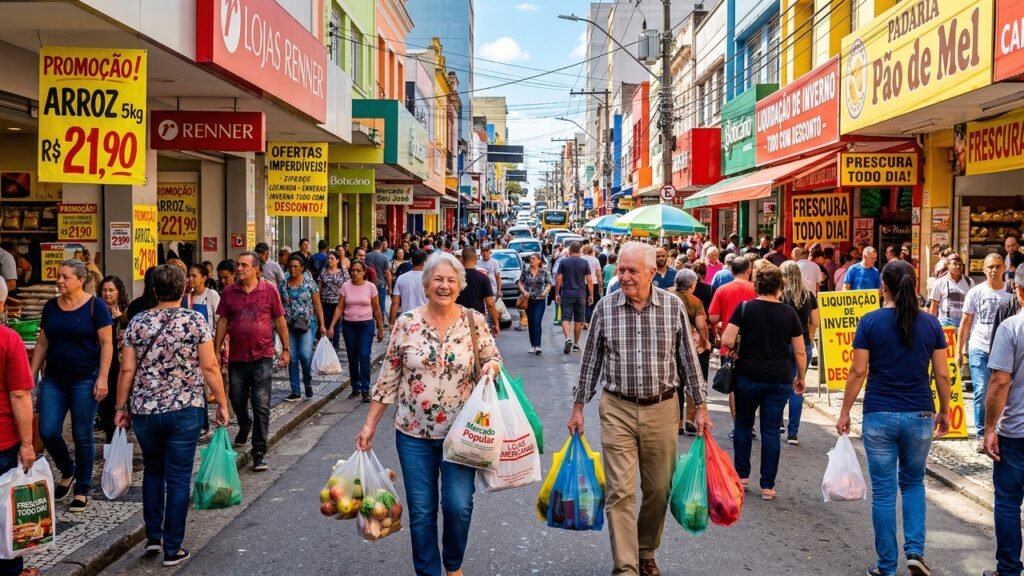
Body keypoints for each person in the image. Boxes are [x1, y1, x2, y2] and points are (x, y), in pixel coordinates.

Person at [355, 252, 501, 576]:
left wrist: (491, 366)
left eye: (451, 280)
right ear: (426, 283)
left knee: (458, 506)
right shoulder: (406, 323)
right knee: (422, 511)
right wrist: (369, 426)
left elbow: (493, 357)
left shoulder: (474, 321)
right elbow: (389, 378)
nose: (444, 286)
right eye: (438, 279)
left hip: (462, 434)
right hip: (412, 434)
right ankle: (429, 572)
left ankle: (452, 563)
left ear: (460, 285)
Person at [568, 242, 709, 576]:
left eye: (632, 271)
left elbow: (689, 359)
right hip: (617, 408)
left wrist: (700, 406)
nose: (625, 276)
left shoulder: (673, 307)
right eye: (621, 270)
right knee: (620, 492)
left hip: (662, 409)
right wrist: (577, 407)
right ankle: (627, 567)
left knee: (659, 490)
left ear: (651, 272)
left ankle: (646, 548)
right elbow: (590, 363)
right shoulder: (605, 308)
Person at [837, 260, 950, 576]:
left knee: (884, 492)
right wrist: (946, 409)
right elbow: (942, 374)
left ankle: (886, 566)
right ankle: (915, 551)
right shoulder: (931, 324)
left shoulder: (870, 322)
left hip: (879, 414)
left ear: (882, 286)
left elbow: (858, 371)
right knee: (913, 483)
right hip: (920, 413)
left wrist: (845, 411)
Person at [114, 265, 230, 567]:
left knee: (153, 472)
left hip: (145, 411)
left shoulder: (137, 322)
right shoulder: (194, 321)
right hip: (185, 409)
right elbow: (210, 367)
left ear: (154, 290)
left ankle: (153, 537)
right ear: (184, 290)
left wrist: (119, 407)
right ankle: (173, 547)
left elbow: (126, 369)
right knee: (178, 478)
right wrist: (222, 403)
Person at [30, 260, 113, 512]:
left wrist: (103, 377)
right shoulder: (50, 307)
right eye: (59, 276)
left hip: (85, 378)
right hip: (54, 379)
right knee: (48, 430)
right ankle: (68, 470)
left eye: (65, 277)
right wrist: (30, 376)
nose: (59, 281)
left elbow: (107, 344)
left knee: (82, 435)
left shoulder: (95, 306)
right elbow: (43, 343)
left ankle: (82, 488)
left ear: (80, 280)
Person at [215, 252, 290, 472]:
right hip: (237, 357)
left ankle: (259, 452)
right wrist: (216, 349)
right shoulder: (229, 292)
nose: (238, 269)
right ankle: (244, 424)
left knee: (261, 404)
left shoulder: (269, 290)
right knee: (237, 399)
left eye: (243, 265)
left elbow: (279, 320)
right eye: (238, 264)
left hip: (262, 357)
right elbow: (223, 321)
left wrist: (285, 349)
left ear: (256, 269)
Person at [984, 265, 1024, 576]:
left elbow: (1000, 381)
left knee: (1009, 502)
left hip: (1016, 431)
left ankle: (1009, 570)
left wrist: (989, 428)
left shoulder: (1011, 327)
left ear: (1019, 291)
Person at [960, 253, 1013, 452]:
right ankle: (982, 433)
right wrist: (959, 349)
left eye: (998, 266)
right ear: (984, 269)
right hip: (979, 347)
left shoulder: (1010, 295)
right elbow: (966, 322)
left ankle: (998, 430)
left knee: (1002, 390)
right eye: (990, 266)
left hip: (1003, 350)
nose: (994, 270)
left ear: (1003, 269)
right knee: (981, 390)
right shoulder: (975, 292)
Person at [0, 294, 35, 576]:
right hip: (3, 440)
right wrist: (27, 444)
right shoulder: (9, 340)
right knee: (7, 518)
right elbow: (20, 394)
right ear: (2, 304)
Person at [331, 260, 384, 402]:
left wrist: (380, 327)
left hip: (366, 325)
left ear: (364, 272)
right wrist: (332, 326)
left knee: (364, 355)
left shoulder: (370, 287)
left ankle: (365, 389)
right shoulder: (345, 287)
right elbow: (340, 308)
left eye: (358, 271)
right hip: (349, 326)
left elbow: (377, 309)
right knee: (352, 357)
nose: (355, 273)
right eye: (352, 270)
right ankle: (356, 387)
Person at [779, 261, 819, 445]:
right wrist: (808, 336)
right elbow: (816, 321)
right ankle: (793, 432)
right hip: (803, 343)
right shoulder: (808, 296)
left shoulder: (780, 296)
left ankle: (778, 422)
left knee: (780, 384)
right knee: (798, 387)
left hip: (782, 343)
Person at [279, 254, 327, 402]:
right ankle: (295, 390)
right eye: (291, 266)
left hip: (308, 323)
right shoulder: (282, 284)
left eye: (296, 266)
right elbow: (279, 306)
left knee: (305, 355)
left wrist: (322, 324)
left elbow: (317, 304)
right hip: (289, 324)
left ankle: (307, 380)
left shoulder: (310, 284)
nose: (293, 269)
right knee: (292, 357)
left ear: (302, 268)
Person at [674, 268, 710, 436]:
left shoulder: (670, 297)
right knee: (692, 380)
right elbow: (702, 325)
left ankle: (678, 423)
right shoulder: (696, 302)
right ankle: (690, 418)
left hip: (672, 343)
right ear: (692, 285)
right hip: (692, 343)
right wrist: (705, 342)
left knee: (677, 385)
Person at [96, 275, 130, 444]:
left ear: (119, 292)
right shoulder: (95, 309)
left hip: (121, 364)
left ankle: (117, 437)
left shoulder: (125, 312)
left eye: (111, 290)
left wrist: (119, 319)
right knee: (105, 406)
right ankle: (111, 438)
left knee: (118, 401)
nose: (107, 294)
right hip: (103, 364)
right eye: (104, 290)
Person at [555, 241, 593, 354]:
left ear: (570, 250)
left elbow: (558, 279)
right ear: (580, 250)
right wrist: (591, 294)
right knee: (579, 320)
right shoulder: (584, 262)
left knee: (565, 318)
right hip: (581, 294)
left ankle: (568, 339)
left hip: (567, 293)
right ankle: (576, 344)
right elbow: (589, 280)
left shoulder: (564, 262)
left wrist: (557, 293)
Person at [455, 247, 500, 334]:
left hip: (458, 318)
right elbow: (490, 304)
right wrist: (496, 323)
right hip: (478, 318)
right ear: (476, 258)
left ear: (462, 259)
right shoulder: (483, 278)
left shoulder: (455, 278)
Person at [518, 253, 551, 354]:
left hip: (540, 300)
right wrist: (524, 292)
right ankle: (532, 345)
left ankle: (538, 346)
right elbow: (520, 283)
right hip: (529, 300)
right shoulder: (526, 271)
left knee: (537, 321)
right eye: (530, 259)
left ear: (538, 260)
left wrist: (545, 292)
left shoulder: (543, 272)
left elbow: (548, 284)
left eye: (533, 259)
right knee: (531, 322)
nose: (531, 260)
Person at [928, 253, 972, 328]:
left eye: (960, 264)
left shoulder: (969, 282)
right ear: (948, 266)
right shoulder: (940, 282)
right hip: (945, 326)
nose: (958, 266)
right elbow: (934, 305)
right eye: (954, 264)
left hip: (963, 325)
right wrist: (932, 326)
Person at [318, 251, 349, 351]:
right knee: (326, 322)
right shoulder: (324, 270)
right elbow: (320, 285)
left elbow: (347, 285)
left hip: (339, 301)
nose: (329, 260)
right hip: (325, 301)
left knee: (335, 323)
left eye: (332, 258)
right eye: (328, 258)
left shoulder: (343, 271)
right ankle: (326, 343)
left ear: (337, 260)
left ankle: (335, 345)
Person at [390, 250, 428, 325]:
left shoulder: (401, 278)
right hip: (426, 318)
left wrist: (392, 323)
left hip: (406, 319)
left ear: (411, 260)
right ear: (425, 262)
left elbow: (395, 303)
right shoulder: (430, 278)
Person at [366, 241, 393, 315]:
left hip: (368, 284)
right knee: (381, 306)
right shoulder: (384, 258)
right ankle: (380, 323)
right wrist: (390, 288)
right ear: (381, 247)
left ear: (373, 246)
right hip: (380, 285)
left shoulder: (366, 256)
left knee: (369, 304)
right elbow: (388, 273)